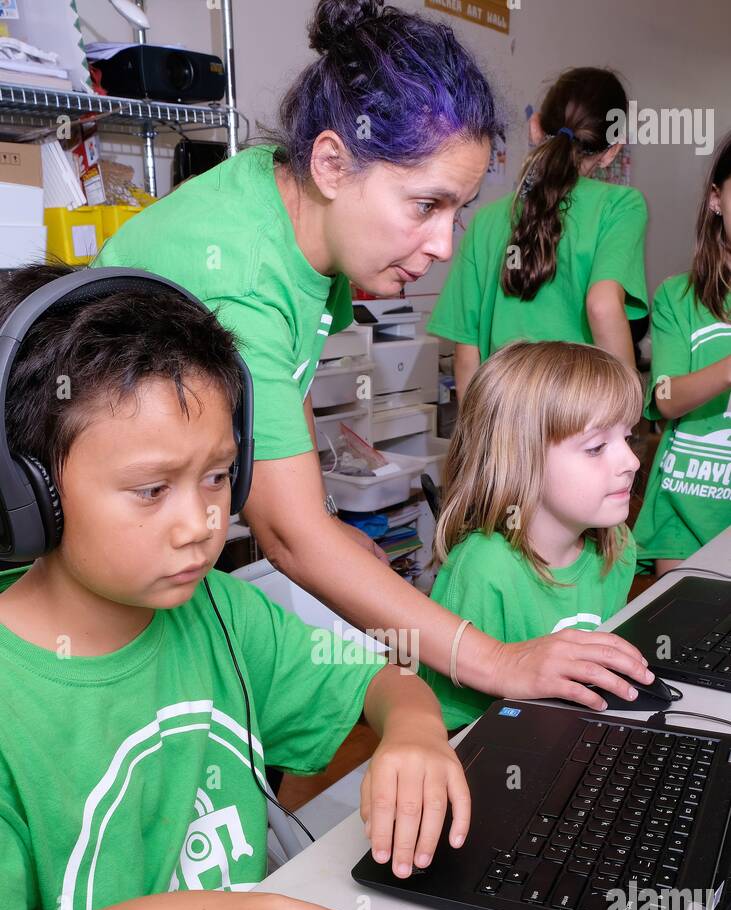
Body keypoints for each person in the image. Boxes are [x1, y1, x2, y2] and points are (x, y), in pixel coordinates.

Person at [0, 262, 471, 910]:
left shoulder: (221, 612)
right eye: (151, 488)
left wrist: (416, 727)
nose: (199, 522)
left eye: (219, 477)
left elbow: (378, 685)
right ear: (26, 491)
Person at [95, 3, 652, 713]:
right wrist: (495, 661)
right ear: (331, 162)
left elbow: (284, 403)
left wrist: (324, 520)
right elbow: (286, 535)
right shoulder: (238, 275)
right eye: (425, 205)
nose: (447, 245)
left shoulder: (299, 221)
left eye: (458, 211)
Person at [420, 341, 643, 730]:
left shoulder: (618, 546)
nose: (632, 461)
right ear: (520, 460)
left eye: (629, 437)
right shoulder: (483, 570)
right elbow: (450, 727)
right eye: (596, 448)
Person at [428, 67, 649, 401]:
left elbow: (467, 352)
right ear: (612, 150)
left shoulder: (486, 221)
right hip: (575, 420)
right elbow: (603, 306)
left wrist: (475, 444)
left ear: (535, 127)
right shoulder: (620, 206)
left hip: (502, 420)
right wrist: (626, 408)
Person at [634, 132, 731, 575]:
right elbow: (665, 397)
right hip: (685, 510)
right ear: (716, 199)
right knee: (680, 640)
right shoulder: (679, 296)